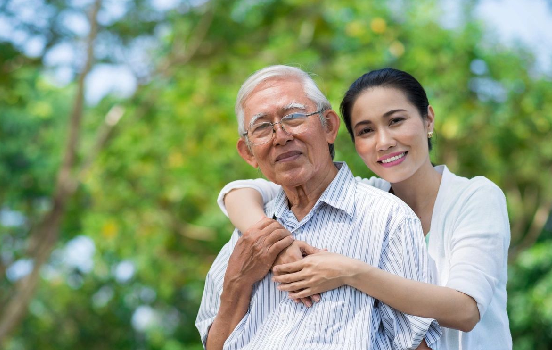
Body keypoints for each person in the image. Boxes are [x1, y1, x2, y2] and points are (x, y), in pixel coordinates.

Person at [219, 68, 512, 350]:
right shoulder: (369, 193)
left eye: (396, 121)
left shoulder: (474, 196)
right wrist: (274, 244)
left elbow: (466, 310)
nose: (384, 142)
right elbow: (240, 192)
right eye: (366, 130)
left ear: (428, 119)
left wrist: (349, 271)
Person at [195, 65, 441, 349]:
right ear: (248, 153)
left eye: (294, 117)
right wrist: (237, 284)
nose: (281, 136)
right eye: (262, 127)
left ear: (329, 127)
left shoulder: (386, 218)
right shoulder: (244, 238)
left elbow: (417, 345)